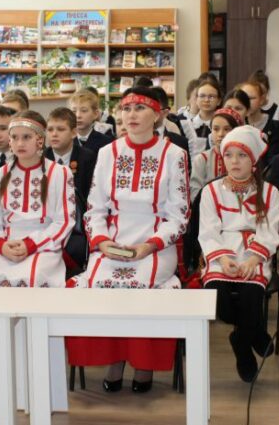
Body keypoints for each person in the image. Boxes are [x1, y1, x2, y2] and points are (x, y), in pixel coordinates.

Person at [66, 87, 191, 393]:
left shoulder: (174, 155)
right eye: (126, 108)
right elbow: (95, 208)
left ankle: (144, 363)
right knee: (98, 283)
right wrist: (102, 242)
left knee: (142, 286)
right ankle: (115, 359)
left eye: (140, 108)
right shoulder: (108, 152)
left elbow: (179, 216)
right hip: (113, 240)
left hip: (155, 243)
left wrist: (150, 246)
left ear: (158, 115)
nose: (131, 115)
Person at [0, 110, 75, 398]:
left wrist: (31, 244)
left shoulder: (59, 173)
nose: (19, 143)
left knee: (34, 279)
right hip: (5, 244)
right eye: (14, 137)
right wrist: (1, 245)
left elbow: (64, 221)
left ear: (41, 140)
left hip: (43, 244)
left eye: (26, 137)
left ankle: (35, 368)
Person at [199, 126, 279, 382]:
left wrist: (253, 259)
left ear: (253, 159)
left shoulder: (270, 192)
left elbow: (270, 230)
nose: (234, 161)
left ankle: (241, 343)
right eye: (229, 155)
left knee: (250, 298)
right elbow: (208, 231)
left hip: (254, 252)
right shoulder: (211, 190)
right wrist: (223, 258)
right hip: (221, 252)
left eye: (242, 155)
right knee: (220, 303)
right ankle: (254, 332)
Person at [44, 106, 97, 277]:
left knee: (77, 248)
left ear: (74, 133)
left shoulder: (88, 158)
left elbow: (91, 196)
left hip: (77, 224)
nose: (54, 134)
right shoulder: (40, 159)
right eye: (50, 129)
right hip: (47, 221)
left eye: (60, 129)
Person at [190, 107, 241, 202]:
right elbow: (195, 193)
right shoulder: (202, 159)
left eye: (227, 129)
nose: (220, 134)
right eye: (216, 129)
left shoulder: (244, 159)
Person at [190, 78, 223, 143]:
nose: (206, 100)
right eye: (202, 96)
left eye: (211, 97)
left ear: (219, 101)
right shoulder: (188, 125)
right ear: (196, 99)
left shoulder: (223, 126)